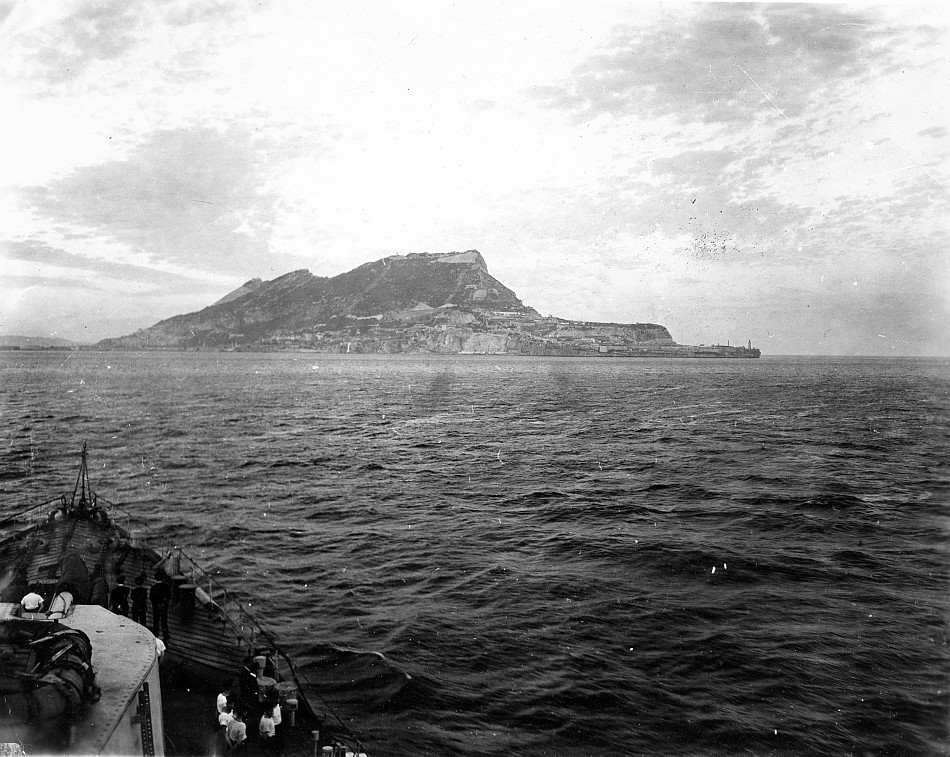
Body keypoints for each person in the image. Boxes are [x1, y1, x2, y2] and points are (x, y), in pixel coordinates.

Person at [150, 570, 171, 639]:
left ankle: (156, 634)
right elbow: (168, 596)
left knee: (156, 620)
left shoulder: (153, 588)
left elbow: (151, 598)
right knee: (164, 621)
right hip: (164, 606)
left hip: (156, 607)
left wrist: (157, 604)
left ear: (155, 578)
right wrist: (163, 604)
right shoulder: (166, 587)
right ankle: (165, 635)